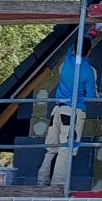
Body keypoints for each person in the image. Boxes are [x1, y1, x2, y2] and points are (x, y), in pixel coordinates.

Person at [37, 36, 98, 187]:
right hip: (73, 112)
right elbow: (91, 97)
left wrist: (93, 34)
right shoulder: (88, 71)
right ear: (89, 52)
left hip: (57, 110)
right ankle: (58, 185)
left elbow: (75, 46)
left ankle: (42, 180)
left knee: (52, 148)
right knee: (67, 148)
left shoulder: (68, 60)